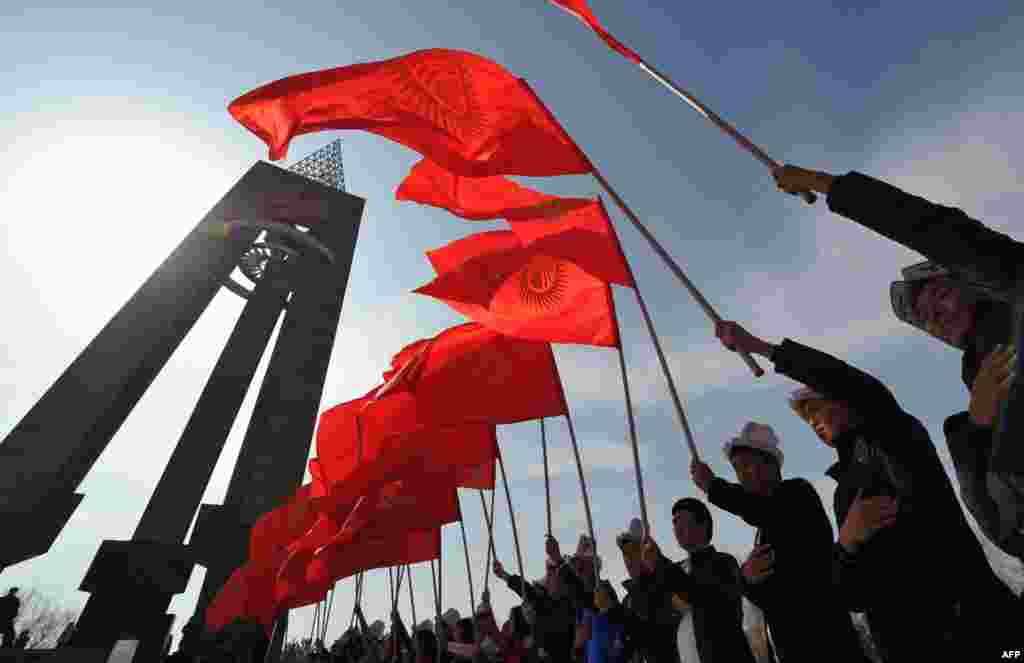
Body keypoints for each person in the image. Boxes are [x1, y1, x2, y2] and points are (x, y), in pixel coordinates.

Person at [716, 318, 1019, 660]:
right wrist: (846, 544)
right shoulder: (842, 493)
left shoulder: (893, 440)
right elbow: (851, 593)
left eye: (820, 405)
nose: (814, 420)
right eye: (807, 416)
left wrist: (764, 348)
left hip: (980, 634)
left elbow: (860, 389)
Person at [772, 163, 1024, 559]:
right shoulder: (978, 398)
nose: (934, 316)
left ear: (968, 279)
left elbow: (938, 230)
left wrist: (828, 186)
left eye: (938, 295)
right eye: (924, 318)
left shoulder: (1016, 293)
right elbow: (1001, 528)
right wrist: (976, 428)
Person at [691, 421, 869, 662]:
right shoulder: (764, 529)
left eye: (746, 465)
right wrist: (749, 580)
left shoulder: (797, 496)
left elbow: (760, 508)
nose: (741, 474)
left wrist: (713, 487)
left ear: (770, 465)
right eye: (736, 468)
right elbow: (771, 599)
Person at [626, 499, 756, 663]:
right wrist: (640, 574)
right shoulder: (678, 572)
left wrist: (660, 564)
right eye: (674, 522)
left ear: (703, 525)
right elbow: (648, 615)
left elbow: (701, 595)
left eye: (681, 520)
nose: (676, 527)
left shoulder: (723, 563)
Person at [493, 537, 579, 661]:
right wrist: (503, 574)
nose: (550, 577)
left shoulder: (571, 604)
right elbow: (524, 589)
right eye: (549, 572)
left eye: (553, 572)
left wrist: (535, 623)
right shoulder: (543, 600)